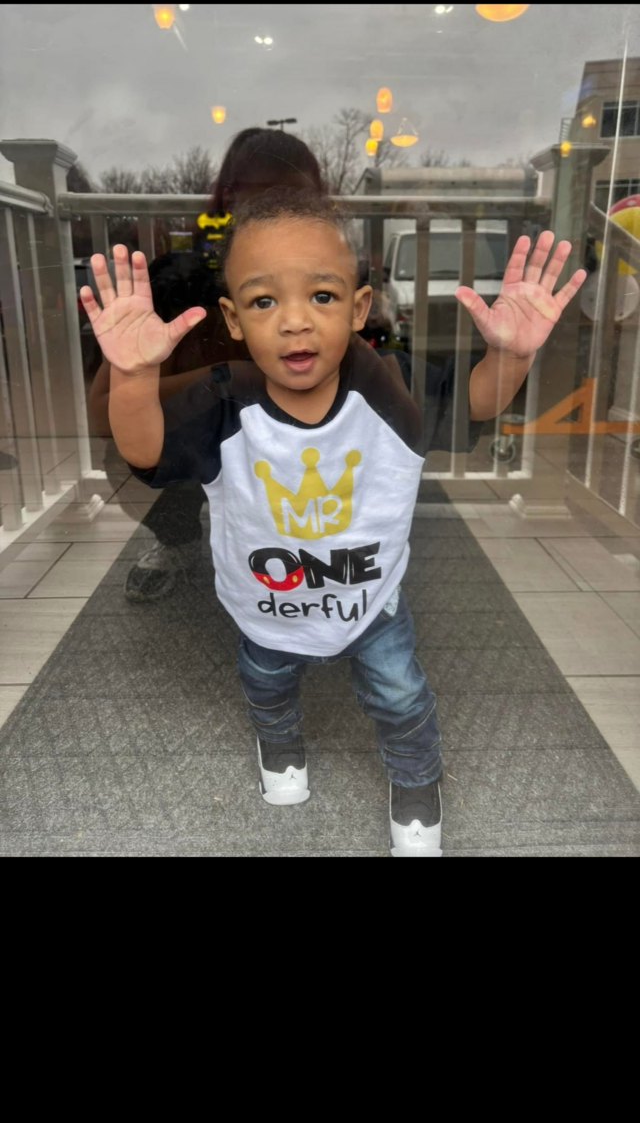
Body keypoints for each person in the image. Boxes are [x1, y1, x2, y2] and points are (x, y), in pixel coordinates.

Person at [79, 192, 586, 856]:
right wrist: (133, 373)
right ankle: (279, 743)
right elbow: (145, 449)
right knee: (267, 680)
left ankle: (416, 781)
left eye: (321, 296)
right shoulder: (223, 400)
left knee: (400, 693)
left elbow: (471, 403)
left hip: (371, 601)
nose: (295, 321)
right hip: (266, 603)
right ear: (233, 318)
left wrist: (512, 356)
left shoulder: (388, 387)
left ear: (358, 306)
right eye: (264, 301)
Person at [88, 127, 324, 602]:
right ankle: (178, 538)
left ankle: (312, 540)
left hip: (296, 453)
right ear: (229, 199)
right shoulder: (178, 280)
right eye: (263, 196)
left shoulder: (329, 280)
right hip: (202, 434)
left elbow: (363, 389)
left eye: (295, 199)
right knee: (126, 450)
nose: (278, 214)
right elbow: (102, 413)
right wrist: (225, 381)